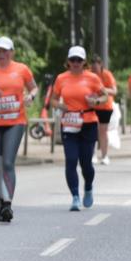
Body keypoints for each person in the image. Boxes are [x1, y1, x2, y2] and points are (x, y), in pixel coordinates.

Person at [0, 36, 37, 223]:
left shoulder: (22, 69)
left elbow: (34, 88)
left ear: (12, 52)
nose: (1, 54)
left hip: (15, 122)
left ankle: (7, 204)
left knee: (7, 163)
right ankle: (4, 200)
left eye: (5, 51)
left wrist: (30, 97)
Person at [52, 46, 108, 211]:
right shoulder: (61, 78)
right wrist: (60, 106)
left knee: (86, 163)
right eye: (72, 60)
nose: (75, 63)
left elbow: (105, 96)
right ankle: (75, 196)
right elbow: (53, 99)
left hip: (88, 122)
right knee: (71, 160)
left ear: (84, 62)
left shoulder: (92, 78)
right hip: (69, 122)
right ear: (68, 62)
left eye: (79, 60)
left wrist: (96, 101)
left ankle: (88, 187)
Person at [89, 55, 117, 165]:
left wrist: (102, 90)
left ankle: (105, 156)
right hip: (92, 106)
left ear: (100, 65)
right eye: (92, 67)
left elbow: (114, 91)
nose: (94, 69)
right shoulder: (89, 74)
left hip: (105, 106)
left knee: (102, 131)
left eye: (96, 67)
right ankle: (93, 155)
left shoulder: (107, 75)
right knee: (92, 131)